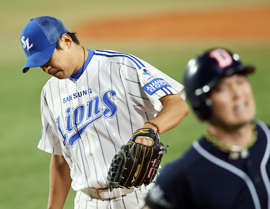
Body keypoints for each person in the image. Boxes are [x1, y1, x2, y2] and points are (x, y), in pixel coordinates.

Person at [20, 16, 189, 209]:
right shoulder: (49, 93)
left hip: (138, 199)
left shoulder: (121, 67)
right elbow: (60, 157)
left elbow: (177, 104)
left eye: (46, 57)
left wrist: (151, 128)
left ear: (66, 41)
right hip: (86, 202)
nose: (45, 67)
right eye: (38, 63)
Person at [142, 48, 270, 209]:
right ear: (201, 105)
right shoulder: (183, 176)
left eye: (240, 80)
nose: (237, 93)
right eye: (221, 88)